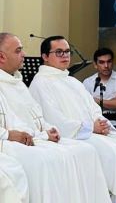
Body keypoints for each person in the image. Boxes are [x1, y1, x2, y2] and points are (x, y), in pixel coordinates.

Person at [29, 36, 116, 203]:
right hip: (76, 135)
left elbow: (93, 107)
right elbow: (54, 118)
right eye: (59, 52)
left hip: (92, 131)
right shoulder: (40, 83)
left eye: (67, 51)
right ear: (45, 56)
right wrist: (90, 128)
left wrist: (100, 122)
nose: (65, 55)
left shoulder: (72, 81)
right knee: (113, 154)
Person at [0, 33, 110, 202]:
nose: (24, 54)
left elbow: (36, 114)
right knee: (45, 161)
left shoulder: (18, 83)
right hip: (8, 143)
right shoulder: (36, 82)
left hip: (33, 138)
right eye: (18, 50)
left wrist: (48, 129)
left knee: (84, 151)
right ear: (2, 57)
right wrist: (9, 134)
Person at [83, 48, 116, 127]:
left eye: (109, 61)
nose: (106, 66)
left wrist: (94, 100)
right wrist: (113, 101)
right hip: (96, 124)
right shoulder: (87, 82)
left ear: (113, 62)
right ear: (95, 64)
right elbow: (86, 107)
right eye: (102, 62)